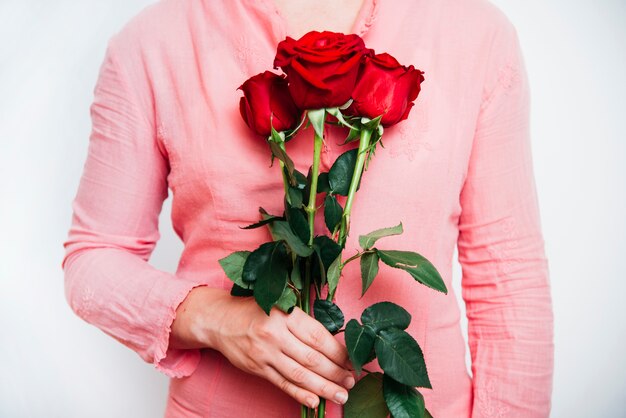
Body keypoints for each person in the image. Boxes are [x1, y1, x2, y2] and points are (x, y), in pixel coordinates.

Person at [62, 0, 555, 416]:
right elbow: (93, 258)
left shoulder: (475, 33)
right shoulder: (153, 44)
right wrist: (218, 317)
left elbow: (509, 276)